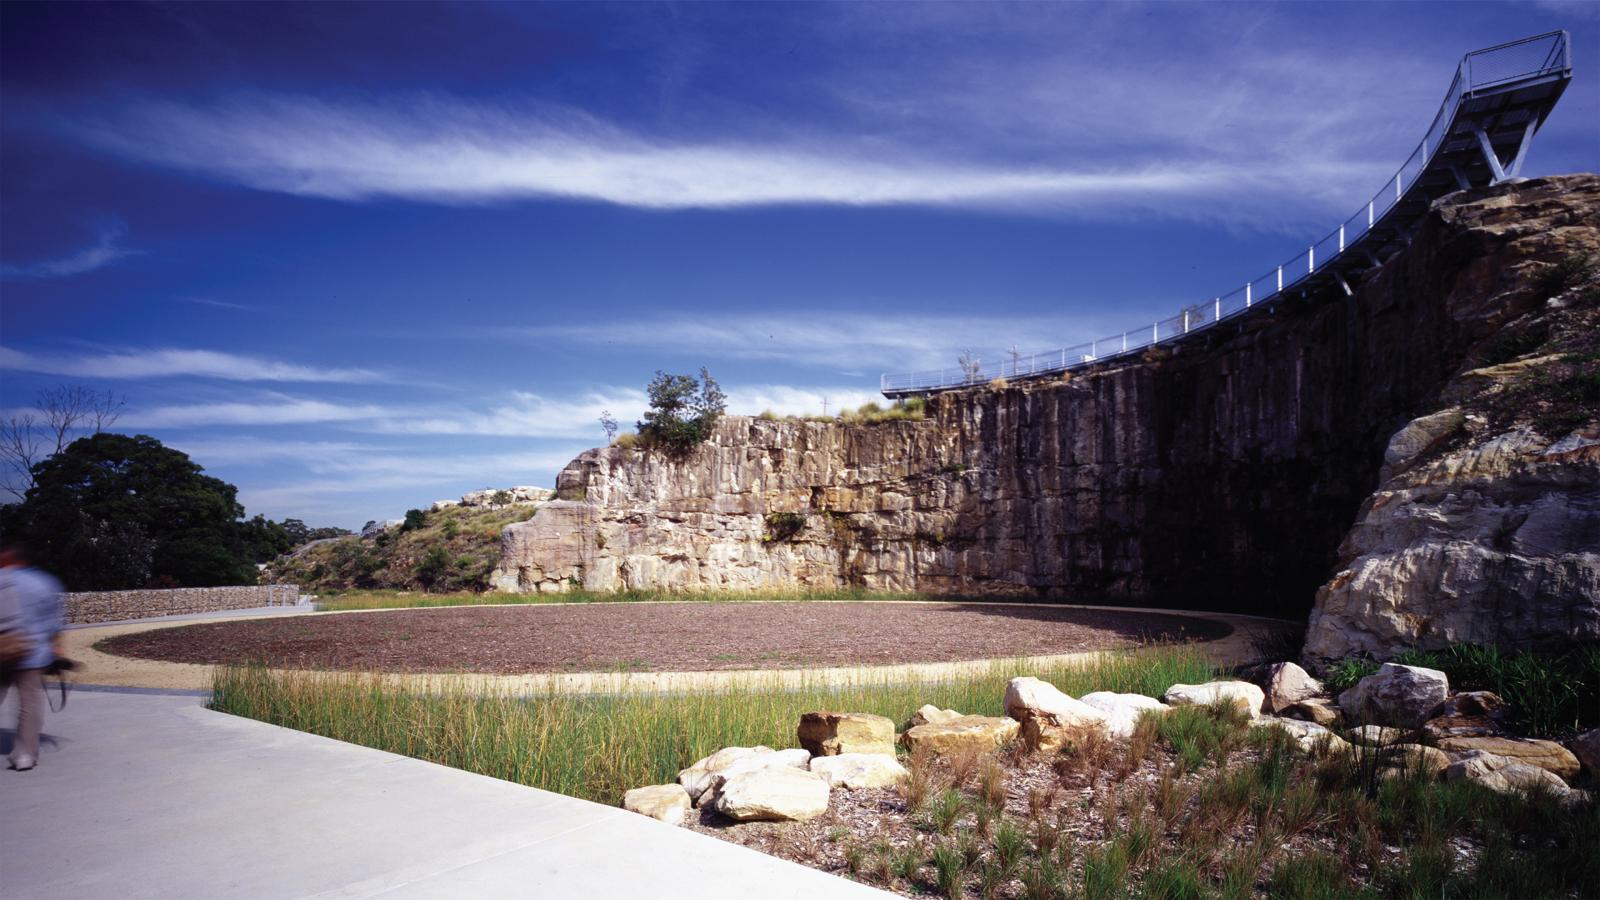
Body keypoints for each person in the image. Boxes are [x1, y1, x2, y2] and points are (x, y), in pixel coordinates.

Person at [0, 541, 64, 771]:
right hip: (32, 652)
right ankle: (24, 755)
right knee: (28, 706)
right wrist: (56, 649)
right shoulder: (43, 582)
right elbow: (53, 624)